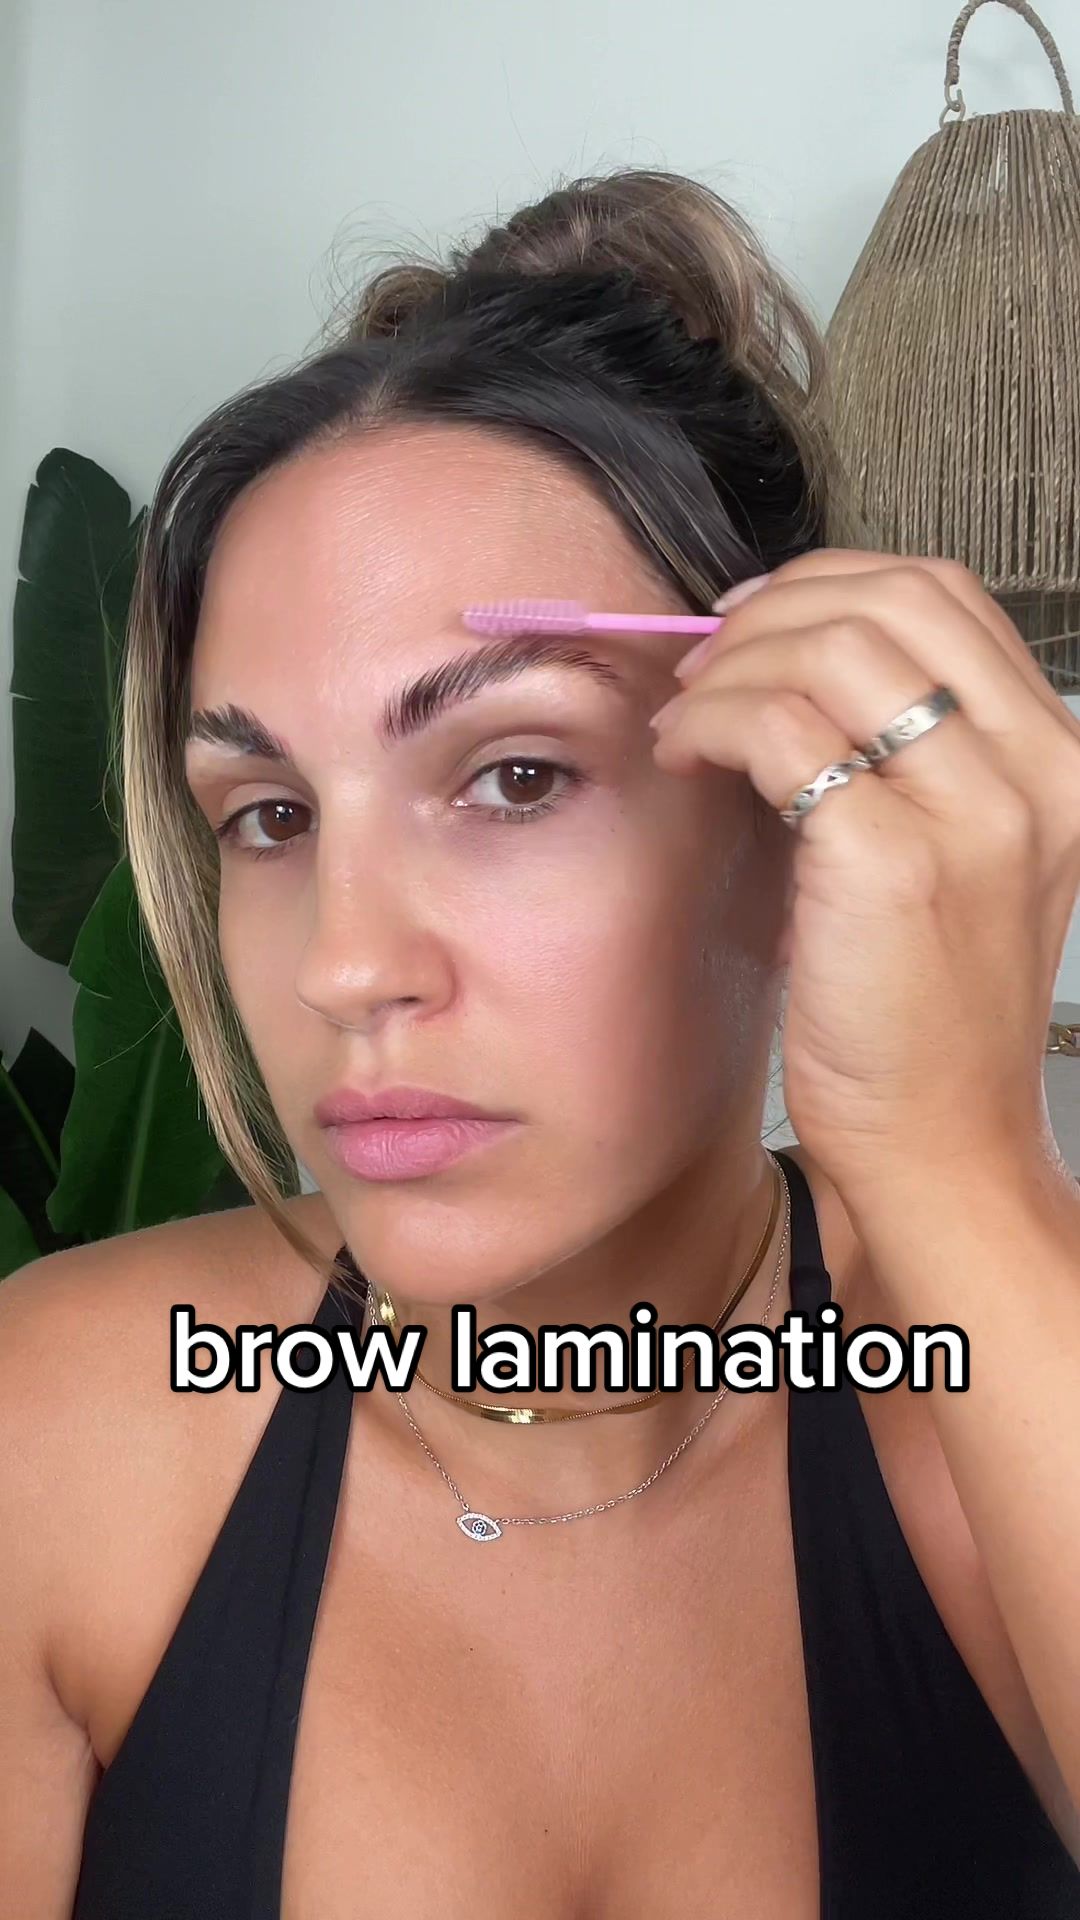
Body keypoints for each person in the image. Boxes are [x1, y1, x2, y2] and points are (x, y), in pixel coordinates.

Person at [2, 167, 1079, 1920]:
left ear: (794, 807)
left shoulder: (998, 1420)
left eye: (514, 776)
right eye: (271, 814)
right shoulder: (55, 1432)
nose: (346, 965)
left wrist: (963, 1166)